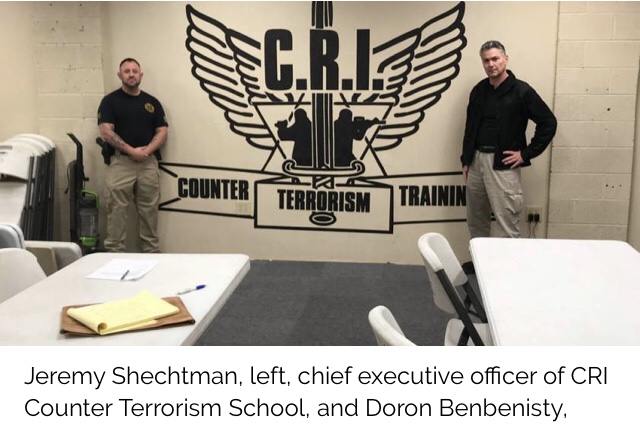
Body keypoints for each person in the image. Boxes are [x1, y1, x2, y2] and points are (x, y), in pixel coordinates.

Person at [461, 40, 557, 240]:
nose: (491, 64)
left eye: (495, 59)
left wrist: (526, 154)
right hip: (476, 162)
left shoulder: (521, 91)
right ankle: (479, 259)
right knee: (476, 223)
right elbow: (470, 128)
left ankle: (507, 262)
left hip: (503, 165)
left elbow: (548, 122)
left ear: (505, 59)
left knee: (507, 226)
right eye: (486, 60)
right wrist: (466, 159)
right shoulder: (479, 90)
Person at [97, 58, 168, 252]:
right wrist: (131, 151)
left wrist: (146, 151)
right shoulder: (110, 102)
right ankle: (114, 254)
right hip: (121, 164)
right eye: (126, 71)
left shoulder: (152, 102)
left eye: (135, 71)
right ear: (120, 75)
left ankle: (152, 254)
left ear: (141, 75)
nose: (131, 74)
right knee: (116, 211)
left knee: (149, 212)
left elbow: (162, 131)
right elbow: (106, 132)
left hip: (148, 164)